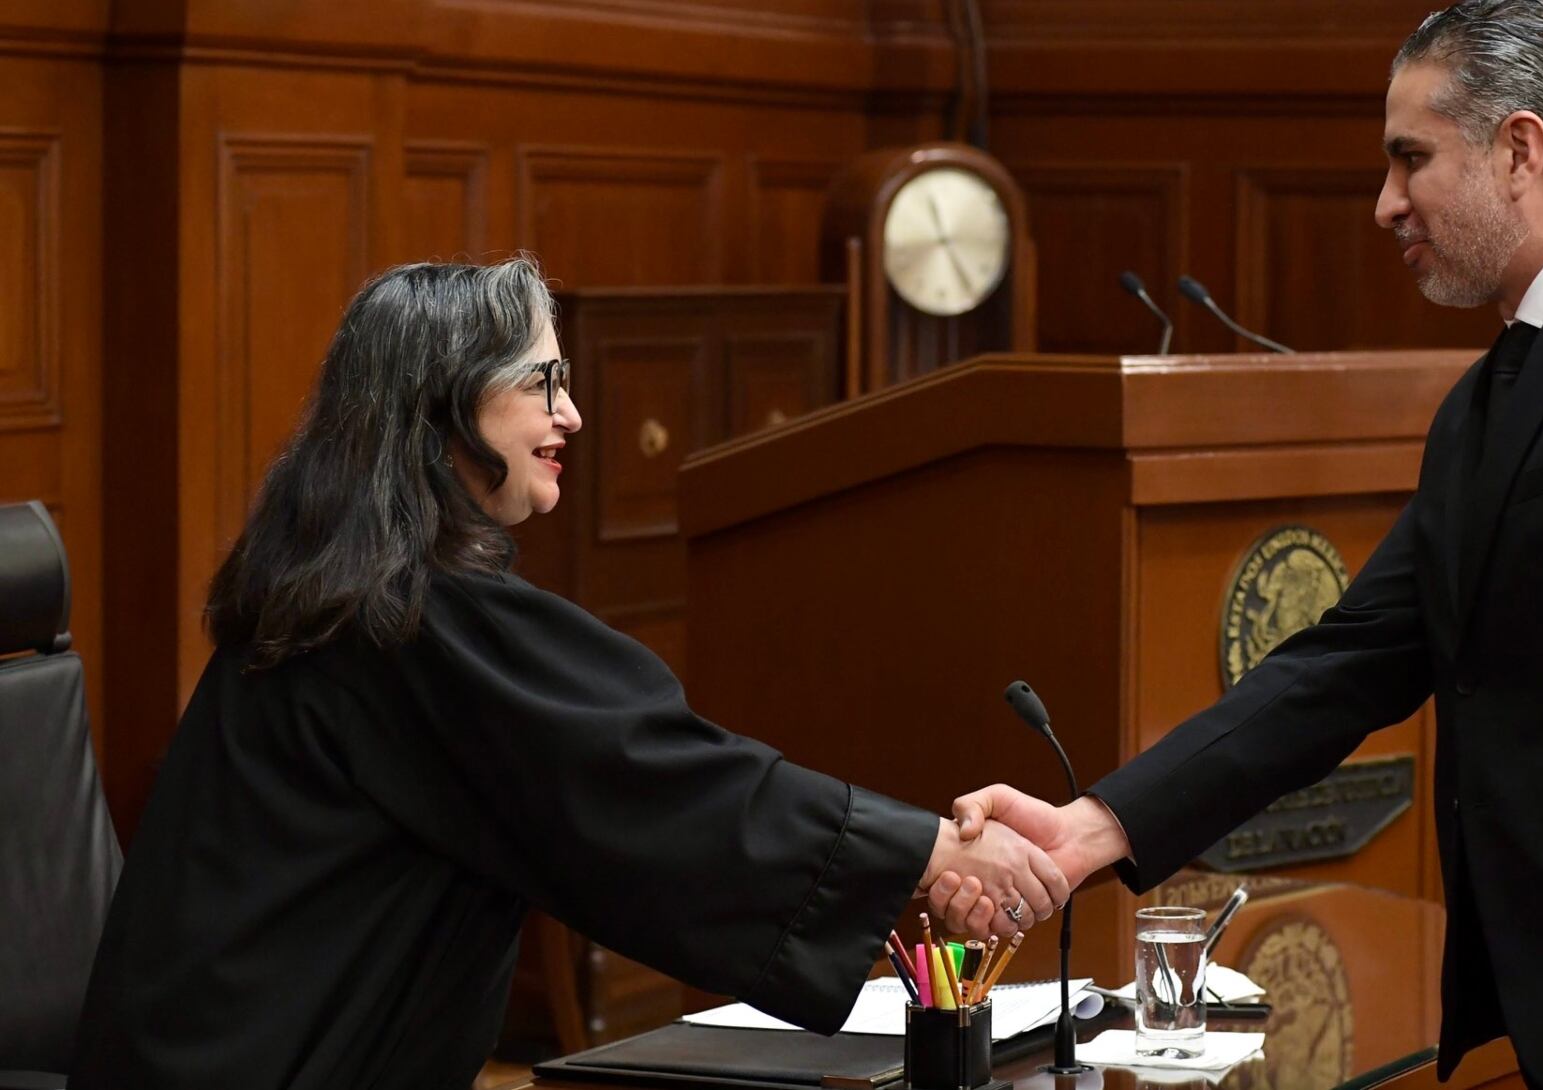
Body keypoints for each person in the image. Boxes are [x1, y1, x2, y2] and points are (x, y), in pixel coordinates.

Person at [932, 3, 1543, 1088]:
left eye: (1412, 159)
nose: (1386, 203)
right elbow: (1346, 662)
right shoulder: (1490, 394)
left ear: (1520, 149)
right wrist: (1092, 829)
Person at [71, 257, 1067, 1090]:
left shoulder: (372, 585)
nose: (575, 414)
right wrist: (926, 852)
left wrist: (907, 853)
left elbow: (628, 767)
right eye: (541, 382)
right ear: (446, 399)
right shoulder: (396, 618)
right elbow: (646, 774)